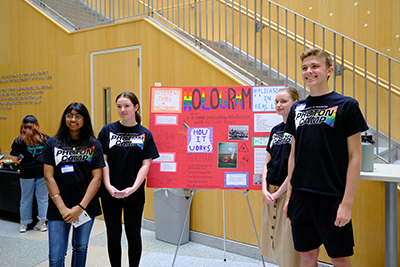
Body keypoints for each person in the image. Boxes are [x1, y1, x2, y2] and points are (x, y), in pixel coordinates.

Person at [283, 48, 368, 267]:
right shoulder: (297, 109)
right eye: (304, 68)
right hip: (301, 196)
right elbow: (293, 155)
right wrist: (290, 195)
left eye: (315, 66)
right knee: (307, 255)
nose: (309, 71)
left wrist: (346, 203)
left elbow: (355, 157)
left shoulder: (347, 105)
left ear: (329, 71)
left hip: (332, 196)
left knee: (339, 258)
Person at [39, 103, 105, 267]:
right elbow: (48, 176)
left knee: (80, 247)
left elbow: (96, 178)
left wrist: (80, 207)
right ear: (64, 118)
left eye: (78, 116)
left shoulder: (94, 145)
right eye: (69, 115)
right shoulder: (52, 143)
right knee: (55, 257)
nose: (73, 119)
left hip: (85, 207)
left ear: (85, 119)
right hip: (58, 206)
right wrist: (62, 208)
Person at [98, 91, 159, 267]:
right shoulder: (107, 131)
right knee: (113, 234)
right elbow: (104, 161)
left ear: (136, 107)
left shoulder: (145, 133)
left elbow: (145, 165)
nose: (122, 110)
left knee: (133, 234)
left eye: (126, 106)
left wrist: (132, 188)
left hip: (134, 192)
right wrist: (108, 186)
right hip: (111, 192)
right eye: (119, 106)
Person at [260, 87, 301, 266]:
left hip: (288, 191)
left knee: (288, 243)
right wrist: (264, 189)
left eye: (283, 101)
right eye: (276, 101)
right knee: (273, 238)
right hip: (271, 191)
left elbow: (296, 165)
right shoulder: (275, 130)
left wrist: (279, 194)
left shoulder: (300, 130)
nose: (278, 105)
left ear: (295, 103)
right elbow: (266, 162)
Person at [10, 115, 50, 233]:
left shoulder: (18, 140)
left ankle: (24, 224)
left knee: (26, 198)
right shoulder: (45, 138)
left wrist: (23, 156)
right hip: (42, 172)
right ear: (37, 125)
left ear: (23, 125)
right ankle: (42, 223)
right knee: (43, 198)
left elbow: (14, 159)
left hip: (26, 172)